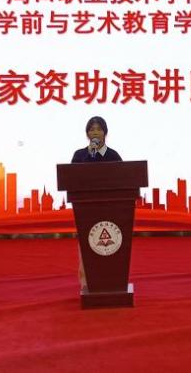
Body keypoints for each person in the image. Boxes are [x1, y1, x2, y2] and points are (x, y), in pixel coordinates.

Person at [71, 116, 122, 291]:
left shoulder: (113, 155)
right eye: (92, 129)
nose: (95, 132)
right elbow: (73, 178)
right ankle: (87, 282)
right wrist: (90, 154)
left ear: (105, 133)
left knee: (111, 242)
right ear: (87, 134)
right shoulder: (79, 155)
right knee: (88, 241)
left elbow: (124, 178)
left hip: (110, 209)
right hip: (86, 210)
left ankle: (113, 280)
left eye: (99, 129)